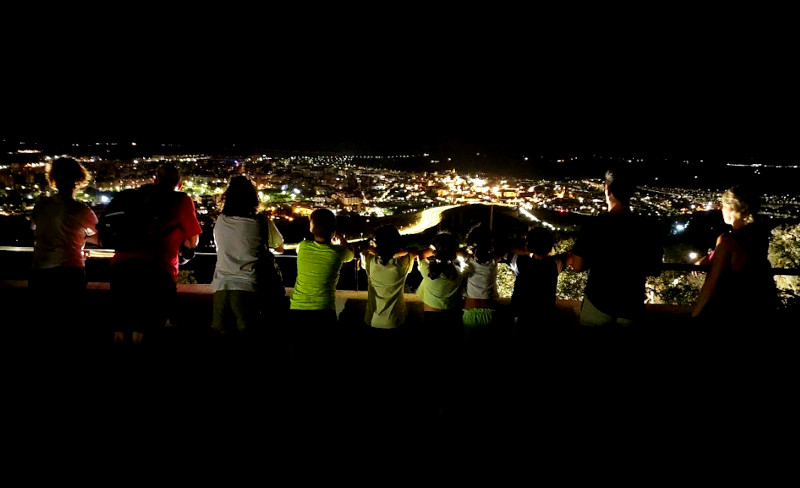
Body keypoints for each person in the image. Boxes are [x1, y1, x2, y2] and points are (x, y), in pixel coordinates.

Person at [107, 163, 202, 346]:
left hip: (121, 268)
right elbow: (192, 240)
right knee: (147, 329)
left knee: (120, 327)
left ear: (154, 180)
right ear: (179, 184)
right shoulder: (181, 200)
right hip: (157, 270)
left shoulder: (131, 197)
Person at [569, 167, 663, 335]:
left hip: (598, 300)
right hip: (631, 304)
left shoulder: (595, 225)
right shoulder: (647, 228)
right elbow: (655, 268)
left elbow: (577, 266)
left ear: (608, 189)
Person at [29, 157, 99, 348]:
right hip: (68, 272)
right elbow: (98, 237)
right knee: (70, 327)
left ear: (53, 179)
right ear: (78, 180)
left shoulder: (41, 206)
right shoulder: (80, 210)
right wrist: (80, 241)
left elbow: (38, 230)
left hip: (40, 273)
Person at [690, 185, 777, 338]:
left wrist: (694, 316)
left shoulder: (726, 240)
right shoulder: (758, 235)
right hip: (758, 309)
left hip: (729, 311)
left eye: (723, 205)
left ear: (732, 207)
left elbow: (711, 285)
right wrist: (710, 257)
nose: (721, 209)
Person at [210, 175, 285, 346]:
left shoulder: (221, 221)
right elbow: (279, 246)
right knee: (250, 339)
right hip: (248, 286)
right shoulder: (261, 222)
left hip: (221, 286)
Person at [288, 207, 355, 370]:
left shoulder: (303, 246)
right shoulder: (338, 252)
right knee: (323, 353)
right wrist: (341, 239)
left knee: (299, 351)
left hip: (298, 307)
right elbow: (351, 254)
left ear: (311, 228)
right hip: (323, 308)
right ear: (333, 230)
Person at [507, 225, 568, 350]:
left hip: (522, 316)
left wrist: (526, 252)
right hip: (545, 318)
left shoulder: (520, 262)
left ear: (528, 244)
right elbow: (569, 256)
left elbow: (506, 249)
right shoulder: (555, 264)